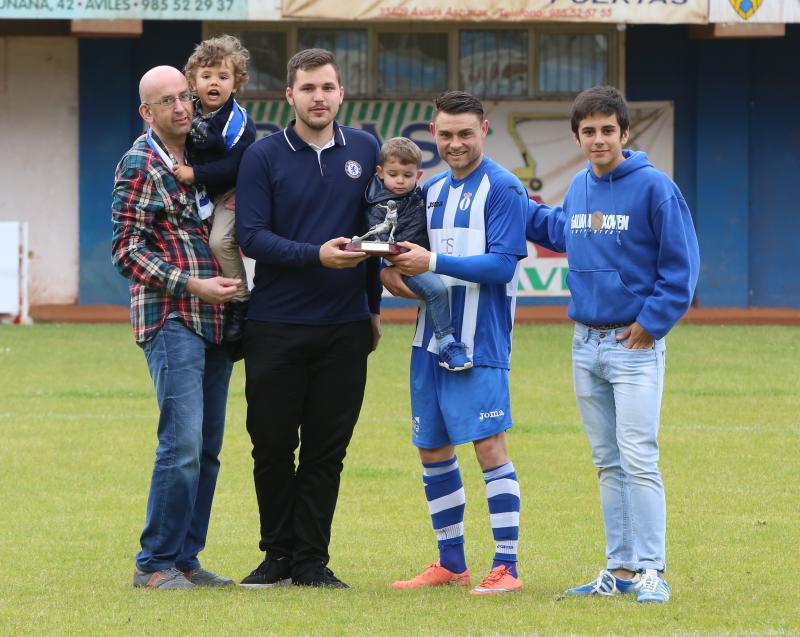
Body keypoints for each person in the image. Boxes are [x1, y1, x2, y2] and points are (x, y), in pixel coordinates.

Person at [525, 85, 699, 603]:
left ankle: (652, 570)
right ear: (577, 137)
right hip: (586, 345)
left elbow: (681, 266)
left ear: (625, 133)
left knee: (639, 456)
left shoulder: (655, 188)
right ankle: (620, 570)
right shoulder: (578, 188)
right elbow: (563, 231)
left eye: (607, 130)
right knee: (607, 461)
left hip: (634, 345)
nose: (598, 139)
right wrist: (514, 202)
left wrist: (653, 323)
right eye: (588, 131)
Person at [234, 48, 382, 589]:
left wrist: (372, 308)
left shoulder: (366, 150)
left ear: (341, 94)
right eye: (308, 88)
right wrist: (314, 254)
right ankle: (276, 554)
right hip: (275, 324)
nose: (318, 97)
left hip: (344, 328)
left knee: (326, 451)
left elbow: (375, 233)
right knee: (272, 445)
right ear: (288, 96)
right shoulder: (264, 156)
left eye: (327, 87)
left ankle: (311, 561)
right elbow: (252, 236)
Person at [382, 91, 528, 595]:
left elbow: (503, 265)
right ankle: (451, 563)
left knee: (488, 447)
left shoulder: (505, 188)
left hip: (480, 340)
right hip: (431, 341)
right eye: (445, 134)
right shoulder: (433, 190)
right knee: (433, 449)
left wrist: (432, 264)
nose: (455, 143)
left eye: (465, 133)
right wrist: (390, 269)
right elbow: (408, 254)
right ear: (433, 133)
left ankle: (506, 566)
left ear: (484, 129)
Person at [111, 65, 240, 590]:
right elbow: (125, 251)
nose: (183, 107)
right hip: (171, 316)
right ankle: (154, 564)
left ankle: (186, 558)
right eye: (167, 101)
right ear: (147, 112)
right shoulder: (140, 161)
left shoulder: (205, 156)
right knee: (182, 443)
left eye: (185, 96)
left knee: (207, 447)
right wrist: (191, 284)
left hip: (215, 318)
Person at [174, 34, 257, 343]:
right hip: (199, 192)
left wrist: (193, 173)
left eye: (223, 76)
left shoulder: (239, 122)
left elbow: (233, 166)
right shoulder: (186, 110)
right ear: (192, 81)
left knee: (221, 242)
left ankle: (240, 303)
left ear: (235, 83)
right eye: (206, 75)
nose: (214, 82)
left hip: (231, 193)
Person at [365, 136, 471, 371]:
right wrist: (393, 261)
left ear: (418, 175)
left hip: (427, 259)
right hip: (407, 263)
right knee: (436, 290)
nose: (400, 181)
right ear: (380, 172)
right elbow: (379, 238)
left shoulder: (422, 195)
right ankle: (447, 344)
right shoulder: (378, 204)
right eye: (393, 175)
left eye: (407, 175)